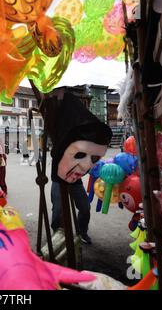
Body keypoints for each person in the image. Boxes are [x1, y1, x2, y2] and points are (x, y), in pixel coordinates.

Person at [46, 90, 112, 245]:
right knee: (57, 212)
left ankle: (82, 231)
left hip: (75, 181)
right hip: (59, 179)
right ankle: (58, 234)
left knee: (84, 208)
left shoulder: (80, 130)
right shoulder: (57, 123)